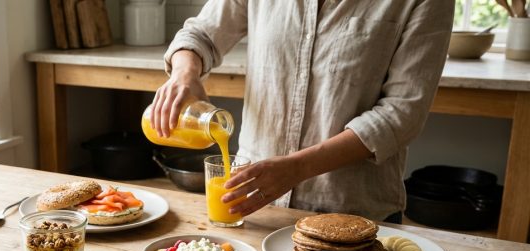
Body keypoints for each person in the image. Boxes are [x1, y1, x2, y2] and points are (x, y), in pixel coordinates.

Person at [150, 0, 454, 222]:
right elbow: (201, 34)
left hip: (353, 214)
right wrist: (184, 72)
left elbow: (401, 114)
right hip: (255, 209)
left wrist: (297, 168)